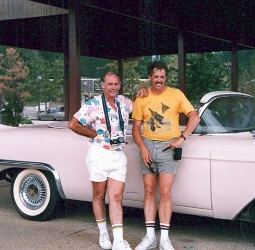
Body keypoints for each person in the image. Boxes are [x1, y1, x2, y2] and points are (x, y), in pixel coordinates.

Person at [132, 62, 200, 250]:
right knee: (148, 192)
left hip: (168, 148)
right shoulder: (142, 97)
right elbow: (136, 128)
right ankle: (150, 237)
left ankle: (164, 240)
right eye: (156, 76)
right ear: (150, 77)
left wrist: (182, 138)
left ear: (166, 78)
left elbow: (194, 116)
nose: (159, 80)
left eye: (162, 76)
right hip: (148, 147)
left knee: (165, 193)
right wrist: (142, 148)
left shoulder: (176, 94)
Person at [69, 71, 140, 250]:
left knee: (116, 197)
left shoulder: (124, 102)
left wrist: (143, 92)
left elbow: (141, 106)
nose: (113, 87)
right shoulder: (92, 104)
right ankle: (103, 233)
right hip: (99, 153)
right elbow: (73, 124)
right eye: (110, 84)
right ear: (103, 85)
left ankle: (118, 241)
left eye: (116, 84)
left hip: (118, 155)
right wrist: (94, 134)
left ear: (120, 84)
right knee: (99, 195)